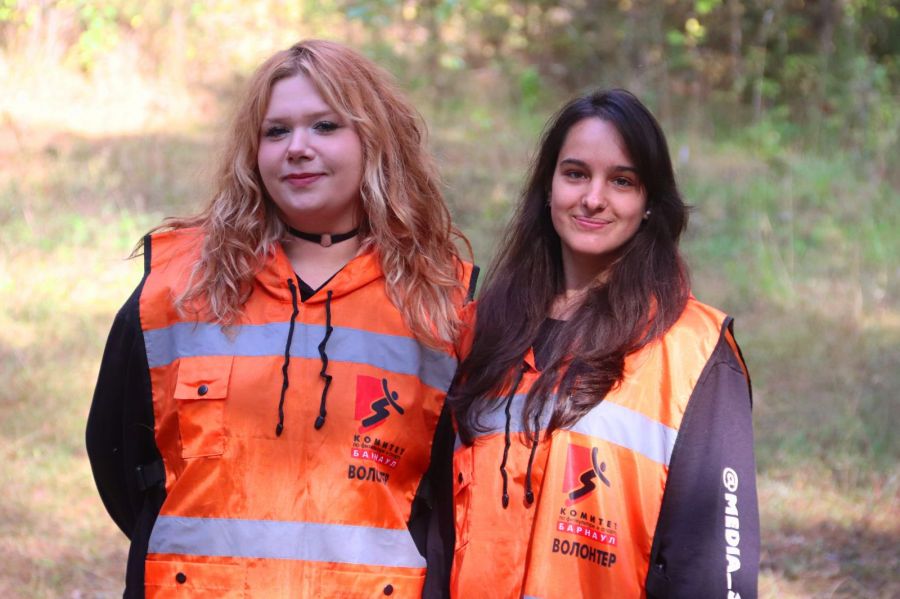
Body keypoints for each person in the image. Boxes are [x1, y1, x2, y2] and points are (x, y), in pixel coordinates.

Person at [86, 39, 476, 598]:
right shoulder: (177, 287)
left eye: (325, 126)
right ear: (253, 151)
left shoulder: (442, 302)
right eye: (276, 131)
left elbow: (456, 496)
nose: (297, 148)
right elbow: (120, 459)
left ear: (375, 141)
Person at [445, 89, 759, 597]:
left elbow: (709, 567)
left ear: (651, 203)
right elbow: (439, 526)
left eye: (621, 181)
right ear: (547, 188)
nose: (593, 198)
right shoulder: (479, 331)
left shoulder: (695, 351)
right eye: (575, 174)